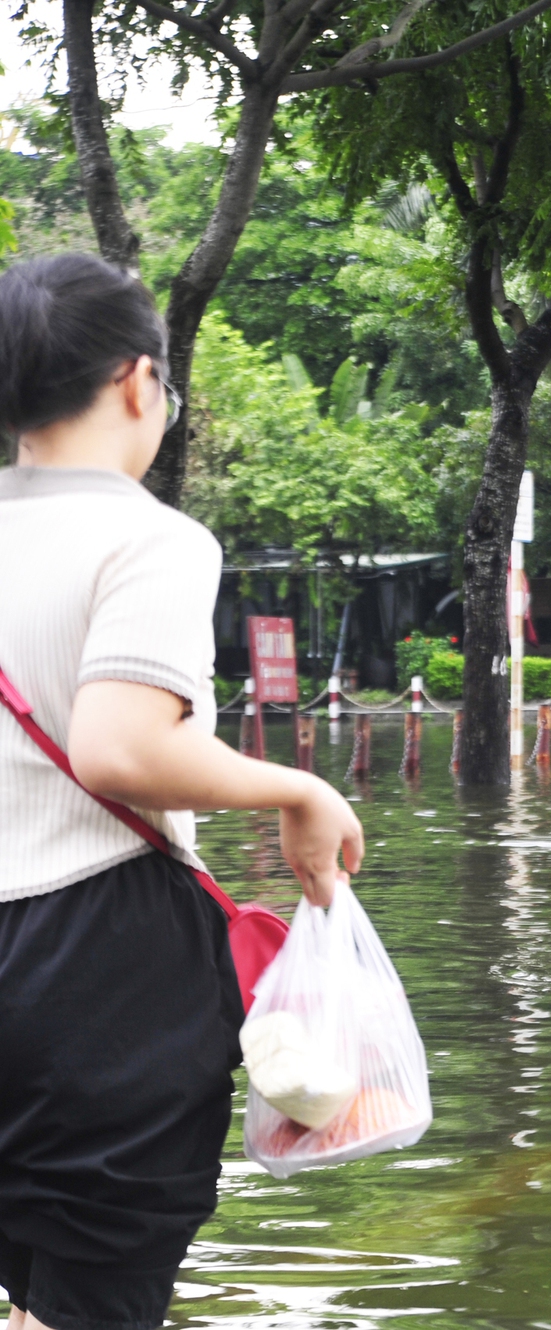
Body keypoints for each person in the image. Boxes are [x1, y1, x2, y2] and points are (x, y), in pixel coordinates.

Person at [0, 254, 365, 1330]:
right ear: (136, 381)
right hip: (95, 961)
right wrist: (298, 787)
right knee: (98, 1294)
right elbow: (118, 748)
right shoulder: (148, 538)